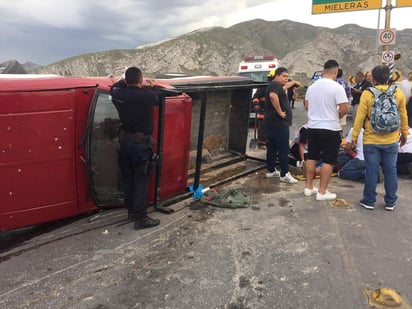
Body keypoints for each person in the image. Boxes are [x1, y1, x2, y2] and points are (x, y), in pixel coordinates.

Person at [352, 64, 409, 211]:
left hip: (371, 139)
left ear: (374, 79)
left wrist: (354, 137)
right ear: (388, 78)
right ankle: (390, 202)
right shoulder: (398, 92)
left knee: (372, 170)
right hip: (391, 139)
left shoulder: (368, 93)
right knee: (391, 170)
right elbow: (403, 114)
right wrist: (404, 134)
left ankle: (369, 200)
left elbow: (359, 118)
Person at [110, 66, 161, 229]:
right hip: (140, 146)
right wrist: (154, 86)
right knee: (141, 181)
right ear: (141, 80)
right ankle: (141, 219)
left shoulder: (118, 94)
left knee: (128, 180)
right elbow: (158, 96)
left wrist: (123, 82)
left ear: (126, 81)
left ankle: (131, 213)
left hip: (125, 144)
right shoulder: (146, 96)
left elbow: (113, 88)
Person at [304, 59, 349, 200]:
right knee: (328, 160)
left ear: (323, 71)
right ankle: (322, 192)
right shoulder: (337, 87)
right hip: (330, 128)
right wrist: (336, 115)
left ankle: (309, 187)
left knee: (311, 157)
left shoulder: (312, 87)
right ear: (336, 72)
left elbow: (306, 106)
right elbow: (344, 109)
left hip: (313, 127)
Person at [264, 67, 298, 184]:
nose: (286, 78)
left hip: (272, 123)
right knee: (283, 148)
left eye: (287, 77)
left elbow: (285, 87)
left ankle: (271, 170)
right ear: (277, 76)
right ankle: (285, 174)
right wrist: (279, 112)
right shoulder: (275, 85)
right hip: (278, 123)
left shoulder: (277, 86)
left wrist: (293, 83)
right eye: (284, 76)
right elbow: (273, 96)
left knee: (272, 147)